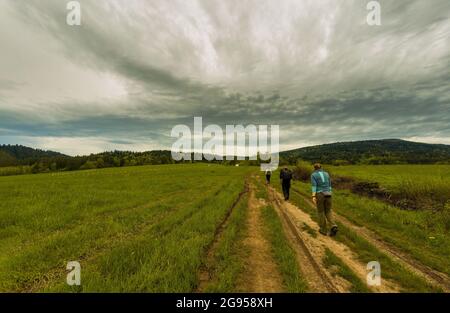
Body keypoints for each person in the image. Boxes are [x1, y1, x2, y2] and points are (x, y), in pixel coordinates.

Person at [311, 163, 338, 236]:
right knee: (328, 211)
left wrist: (313, 196)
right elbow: (329, 185)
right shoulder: (326, 174)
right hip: (328, 194)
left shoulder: (313, 175)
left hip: (320, 195)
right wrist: (330, 192)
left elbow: (314, 186)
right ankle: (333, 226)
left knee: (321, 212)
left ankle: (323, 230)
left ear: (314, 168)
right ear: (321, 167)